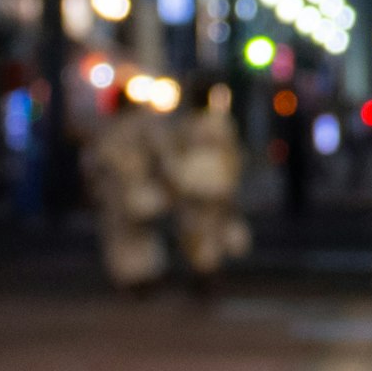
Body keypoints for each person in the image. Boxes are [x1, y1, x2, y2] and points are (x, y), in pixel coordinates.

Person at [166, 82, 251, 301]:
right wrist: (231, 180)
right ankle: (207, 272)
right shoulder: (219, 122)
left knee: (194, 229)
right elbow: (232, 153)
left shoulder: (185, 123)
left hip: (191, 180)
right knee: (209, 229)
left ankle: (202, 272)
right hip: (214, 180)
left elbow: (175, 153)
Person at [82, 94, 172, 294]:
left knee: (128, 233)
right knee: (133, 233)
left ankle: (135, 276)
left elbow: (93, 162)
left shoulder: (113, 127)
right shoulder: (131, 125)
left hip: (122, 188)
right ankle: (139, 275)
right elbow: (160, 153)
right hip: (124, 187)